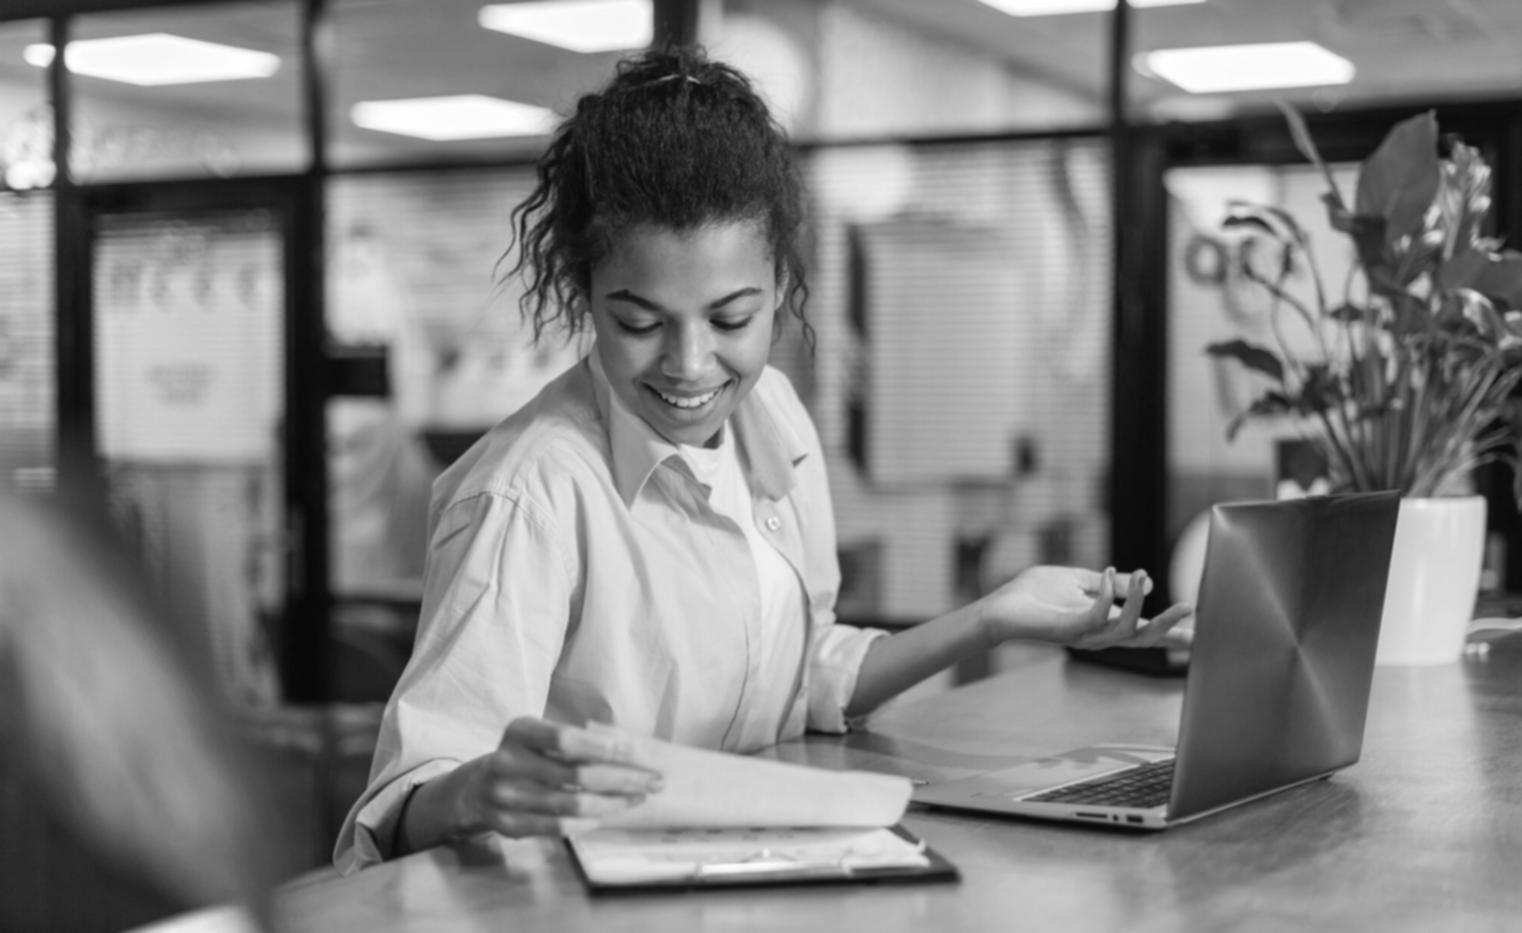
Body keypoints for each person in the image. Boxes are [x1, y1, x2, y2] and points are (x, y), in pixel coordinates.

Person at [333, 46, 1191, 872]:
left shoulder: (772, 411)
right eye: (639, 322)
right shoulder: (527, 494)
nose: (691, 363)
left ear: (781, 282)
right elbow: (409, 799)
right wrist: (476, 790)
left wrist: (992, 617)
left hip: (743, 870)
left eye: (732, 317)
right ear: (584, 294)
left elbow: (803, 668)